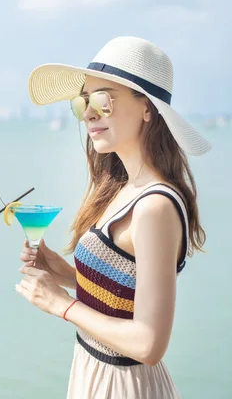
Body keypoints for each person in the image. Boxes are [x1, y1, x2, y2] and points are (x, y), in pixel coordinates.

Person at [14, 36, 212, 398]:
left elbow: (149, 343)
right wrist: (65, 273)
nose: (88, 113)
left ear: (148, 109)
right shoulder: (121, 187)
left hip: (123, 384)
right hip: (94, 371)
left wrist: (62, 304)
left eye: (103, 101)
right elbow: (125, 296)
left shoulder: (154, 206)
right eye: (82, 102)